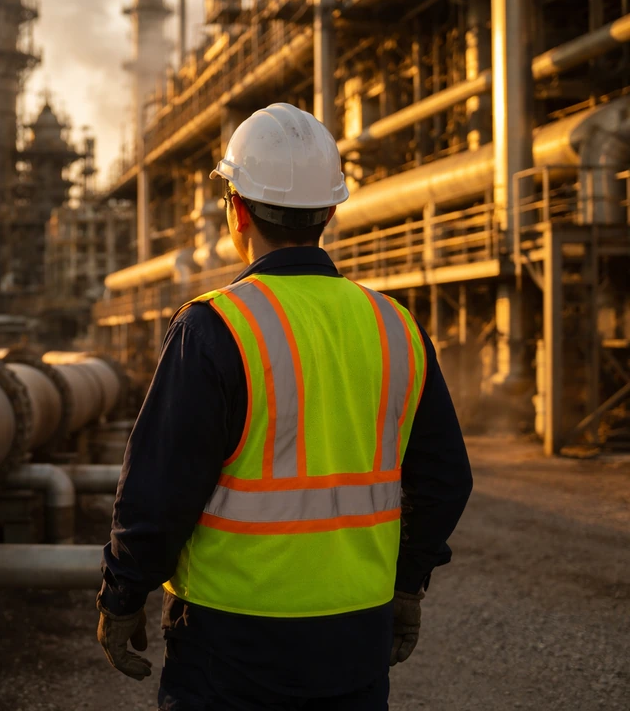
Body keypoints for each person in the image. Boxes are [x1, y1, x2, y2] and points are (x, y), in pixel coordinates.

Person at [95, 103, 472, 710]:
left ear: (237, 211)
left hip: (231, 637)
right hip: (356, 633)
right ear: (329, 212)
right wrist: (406, 585)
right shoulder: (396, 325)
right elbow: (446, 480)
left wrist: (122, 593)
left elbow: (159, 487)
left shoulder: (215, 326)